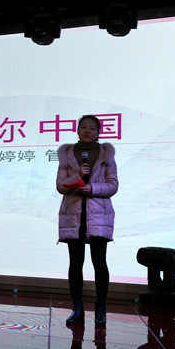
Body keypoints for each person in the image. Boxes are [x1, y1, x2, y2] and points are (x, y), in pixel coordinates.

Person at [56, 115, 118, 327]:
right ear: (77, 130)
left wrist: (92, 188)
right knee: (75, 264)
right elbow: (60, 186)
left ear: (98, 132)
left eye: (92, 127)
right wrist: (77, 179)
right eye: (83, 127)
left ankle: (101, 308)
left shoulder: (106, 154)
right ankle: (77, 308)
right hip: (73, 215)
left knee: (99, 263)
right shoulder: (67, 154)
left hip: (98, 215)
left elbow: (113, 185)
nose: (87, 131)